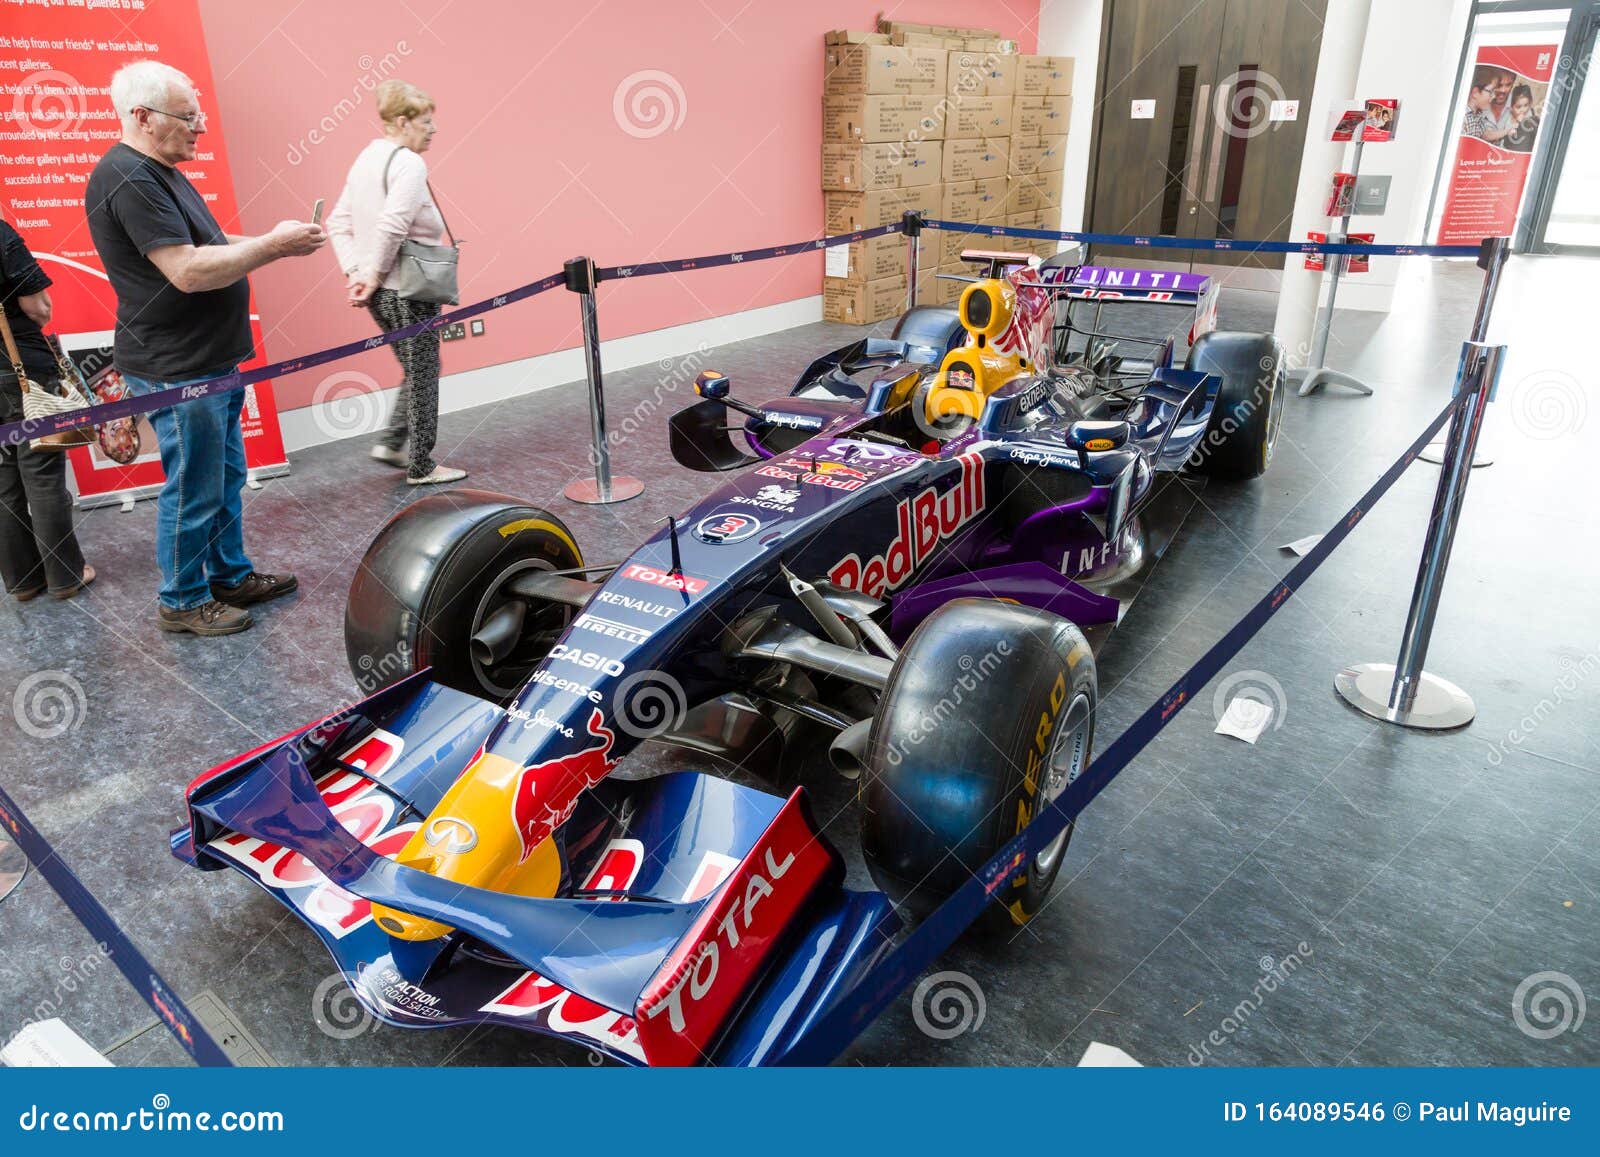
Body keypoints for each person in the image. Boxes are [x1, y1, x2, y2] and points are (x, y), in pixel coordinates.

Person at [86, 60, 325, 637]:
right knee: (194, 483)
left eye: (198, 116)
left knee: (223, 474)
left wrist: (277, 242)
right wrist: (274, 247)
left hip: (207, 359)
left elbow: (208, 244)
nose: (199, 128)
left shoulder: (160, 168)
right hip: (177, 366)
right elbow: (188, 271)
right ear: (142, 117)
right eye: (187, 117)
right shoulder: (128, 178)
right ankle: (183, 598)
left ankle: (227, 574)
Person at [327, 79, 466, 486]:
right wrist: (368, 274)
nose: (433, 130)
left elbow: (338, 222)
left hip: (381, 294)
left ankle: (391, 442)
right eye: (426, 121)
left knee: (418, 364)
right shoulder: (408, 162)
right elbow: (392, 224)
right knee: (423, 370)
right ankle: (421, 466)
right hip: (409, 286)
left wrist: (356, 273)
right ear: (403, 122)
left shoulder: (366, 158)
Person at [0, 219, 93, 600]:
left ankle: (23, 581)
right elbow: (37, 307)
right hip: (18, 367)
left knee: (3, 480)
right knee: (41, 473)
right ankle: (65, 575)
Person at [1503, 84, 1541, 153]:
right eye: (1518, 107)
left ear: (1530, 103)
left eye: (1526, 105)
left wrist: (1521, 122)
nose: (1523, 110)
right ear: (1511, 107)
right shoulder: (1507, 117)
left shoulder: (1531, 118)